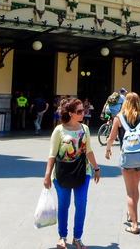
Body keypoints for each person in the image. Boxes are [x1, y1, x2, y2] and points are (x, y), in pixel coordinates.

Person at [44, 98, 100, 249]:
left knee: (81, 204)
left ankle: (78, 237)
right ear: (70, 113)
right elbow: (52, 154)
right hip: (62, 172)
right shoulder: (59, 130)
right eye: (80, 111)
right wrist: (47, 175)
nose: (83, 113)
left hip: (83, 171)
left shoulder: (84, 129)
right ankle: (62, 237)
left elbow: (89, 151)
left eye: (83, 110)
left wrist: (96, 168)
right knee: (64, 204)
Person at [105, 92, 140, 235]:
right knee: (135, 188)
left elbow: (111, 137)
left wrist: (108, 150)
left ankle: (134, 225)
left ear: (125, 102)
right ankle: (132, 214)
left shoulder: (119, 118)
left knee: (130, 192)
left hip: (126, 158)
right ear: (138, 102)